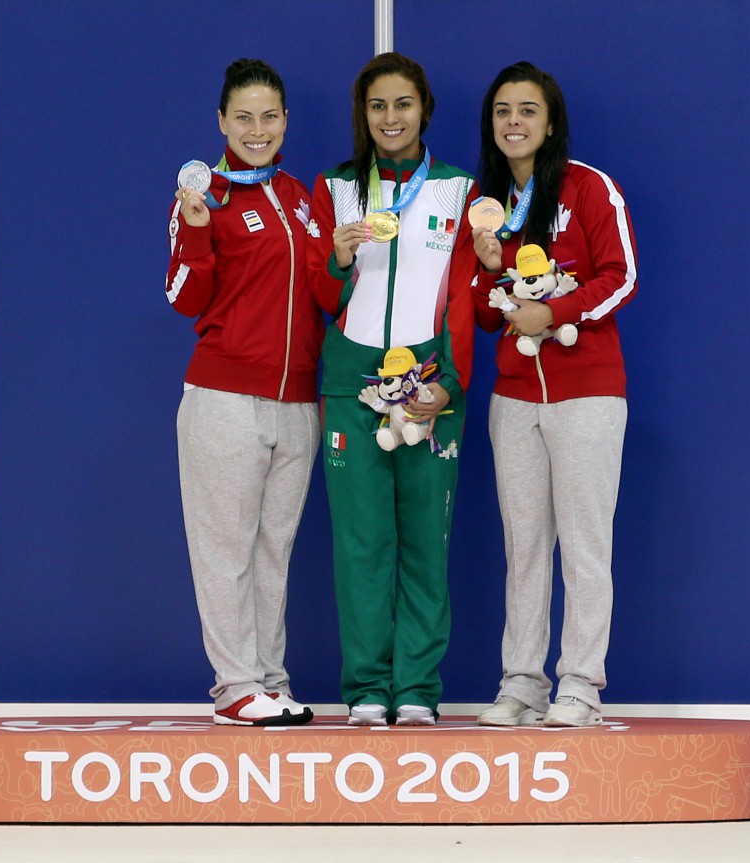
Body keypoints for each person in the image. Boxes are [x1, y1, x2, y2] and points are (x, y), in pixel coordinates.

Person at [306, 52, 477, 727]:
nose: (390, 117)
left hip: (429, 389)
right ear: (363, 114)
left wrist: (451, 388)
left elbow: (464, 302)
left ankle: (416, 689)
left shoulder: (459, 191)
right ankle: (369, 688)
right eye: (377, 105)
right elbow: (320, 295)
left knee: (424, 544)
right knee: (361, 545)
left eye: (402, 103)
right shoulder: (336, 188)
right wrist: (339, 257)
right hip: (352, 384)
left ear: (423, 109)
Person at [471, 62, 638, 727]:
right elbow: (484, 316)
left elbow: (621, 276)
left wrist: (559, 310)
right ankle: (520, 682)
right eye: (503, 111)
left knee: (585, 543)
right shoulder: (486, 207)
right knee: (525, 545)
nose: (514, 122)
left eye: (527, 110)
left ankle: (579, 685)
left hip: (586, 392)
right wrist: (488, 273)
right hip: (513, 396)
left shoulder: (588, 187)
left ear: (549, 121)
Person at [165, 59, 323, 726]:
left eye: (268, 116)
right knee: (225, 549)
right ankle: (234, 685)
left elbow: (324, 291)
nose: (256, 129)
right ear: (221, 123)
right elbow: (182, 297)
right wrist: (197, 231)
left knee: (271, 553)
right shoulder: (205, 198)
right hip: (225, 397)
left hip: (299, 403)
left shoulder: (297, 195)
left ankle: (268, 678)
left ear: (285, 119)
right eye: (243, 118)